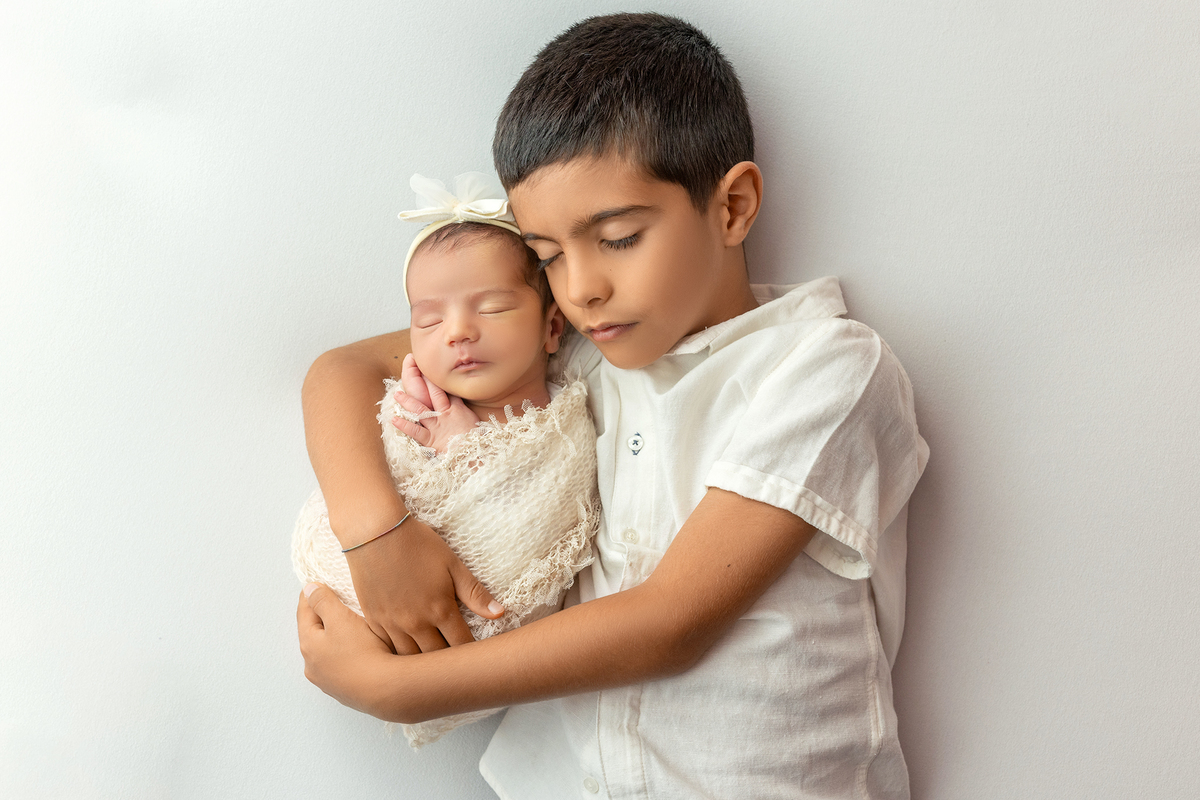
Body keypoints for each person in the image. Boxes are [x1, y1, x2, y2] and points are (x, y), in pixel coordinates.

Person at [297, 12, 928, 799]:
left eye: (620, 237)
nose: (580, 286)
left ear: (731, 207)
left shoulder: (825, 368)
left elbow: (670, 623)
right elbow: (342, 369)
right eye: (548, 257)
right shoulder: (570, 341)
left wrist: (393, 689)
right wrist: (374, 533)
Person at [292, 172, 598, 747]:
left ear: (552, 326)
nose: (457, 331)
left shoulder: (562, 421)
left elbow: (539, 505)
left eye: (492, 308)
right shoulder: (410, 403)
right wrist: (417, 435)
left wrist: (469, 448)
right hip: (355, 581)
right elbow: (365, 418)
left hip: (481, 643)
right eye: (429, 320)